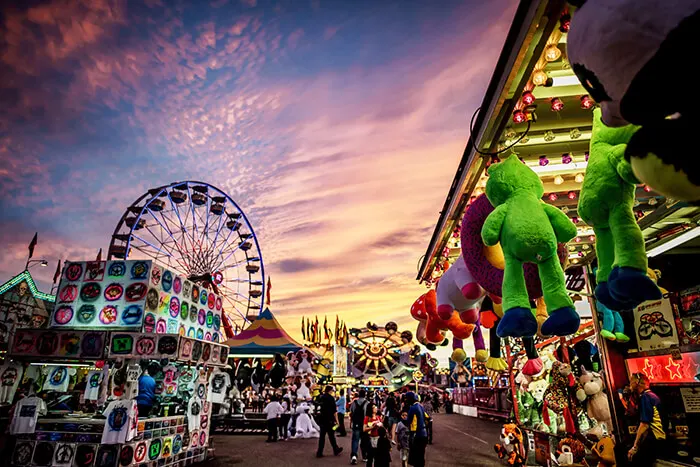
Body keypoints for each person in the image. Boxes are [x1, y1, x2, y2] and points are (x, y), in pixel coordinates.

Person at [627, 373, 666, 467]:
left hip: (653, 438)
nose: (630, 385)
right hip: (659, 438)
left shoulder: (646, 397)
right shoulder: (653, 396)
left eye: (631, 382)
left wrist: (635, 447)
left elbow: (645, 424)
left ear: (636, 383)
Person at [316, 385, 343, 457]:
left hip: (322, 419)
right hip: (329, 420)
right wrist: (337, 421)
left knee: (322, 436)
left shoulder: (321, 397)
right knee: (331, 436)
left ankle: (319, 452)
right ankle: (335, 449)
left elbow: (318, 407)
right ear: (330, 390)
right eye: (333, 391)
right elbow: (334, 411)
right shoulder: (331, 399)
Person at [407, 392, 428, 467]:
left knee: (416, 458)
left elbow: (408, 421)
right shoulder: (421, 406)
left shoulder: (413, 408)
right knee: (421, 457)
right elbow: (427, 417)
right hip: (424, 434)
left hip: (416, 435)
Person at [349, 389, 369, 464]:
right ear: (365, 395)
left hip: (356, 423)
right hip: (364, 424)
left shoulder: (354, 402)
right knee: (364, 440)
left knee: (355, 440)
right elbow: (367, 414)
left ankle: (354, 455)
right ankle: (364, 456)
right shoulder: (367, 403)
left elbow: (352, 411)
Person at [364, 402, 383, 467]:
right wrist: (372, 427)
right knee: (370, 456)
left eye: (375, 407)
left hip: (378, 438)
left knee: (378, 456)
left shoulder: (378, 417)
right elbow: (364, 429)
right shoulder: (367, 417)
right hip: (370, 438)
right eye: (374, 407)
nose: (376, 408)